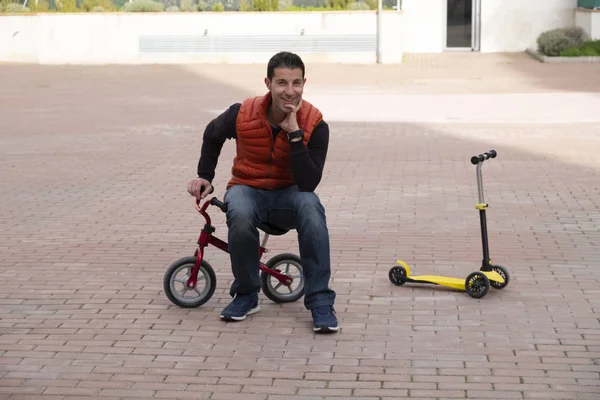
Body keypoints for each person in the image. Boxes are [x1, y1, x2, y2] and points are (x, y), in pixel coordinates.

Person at [187, 51, 339, 333]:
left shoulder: (316, 124)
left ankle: (320, 301)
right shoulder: (242, 112)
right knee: (240, 210)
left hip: (290, 194)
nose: (289, 91)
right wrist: (204, 176)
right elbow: (212, 134)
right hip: (248, 188)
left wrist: (295, 135)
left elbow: (308, 184)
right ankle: (246, 294)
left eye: (296, 83)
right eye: (282, 82)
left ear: (304, 82)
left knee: (311, 207)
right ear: (268, 83)